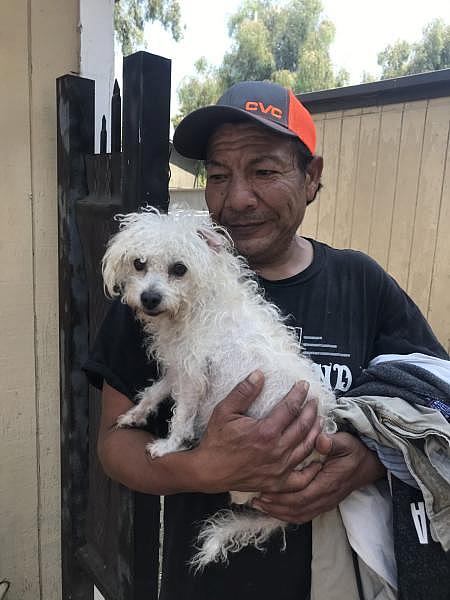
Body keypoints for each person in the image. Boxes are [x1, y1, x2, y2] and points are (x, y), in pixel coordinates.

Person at [84, 81, 448, 600]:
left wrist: (364, 461)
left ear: (311, 177)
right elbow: (113, 445)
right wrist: (201, 468)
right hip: (203, 585)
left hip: (346, 576)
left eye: (264, 171)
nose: (237, 198)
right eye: (218, 175)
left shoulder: (362, 283)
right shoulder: (155, 294)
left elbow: (435, 400)